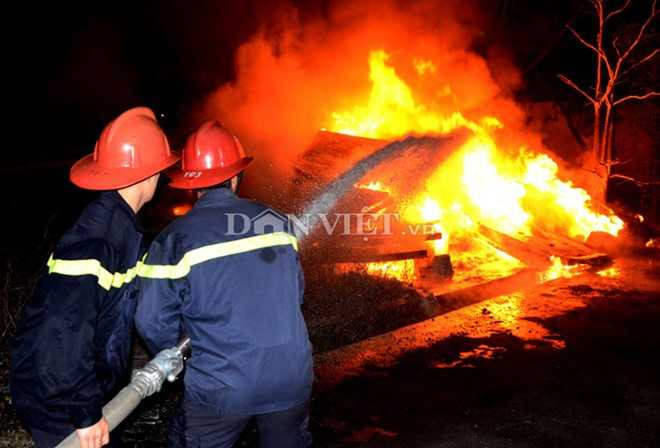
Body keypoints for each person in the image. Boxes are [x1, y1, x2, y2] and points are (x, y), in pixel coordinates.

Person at [136, 120, 313, 448]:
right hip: (291, 377)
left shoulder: (172, 240)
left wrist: (181, 353)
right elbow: (296, 295)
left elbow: (151, 320)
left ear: (191, 185)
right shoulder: (279, 223)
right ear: (236, 176)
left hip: (221, 384)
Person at [10, 107, 179, 448]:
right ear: (148, 174)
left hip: (74, 385)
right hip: (58, 395)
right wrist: (85, 413)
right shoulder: (98, 240)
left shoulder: (119, 225)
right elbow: (63, 328)